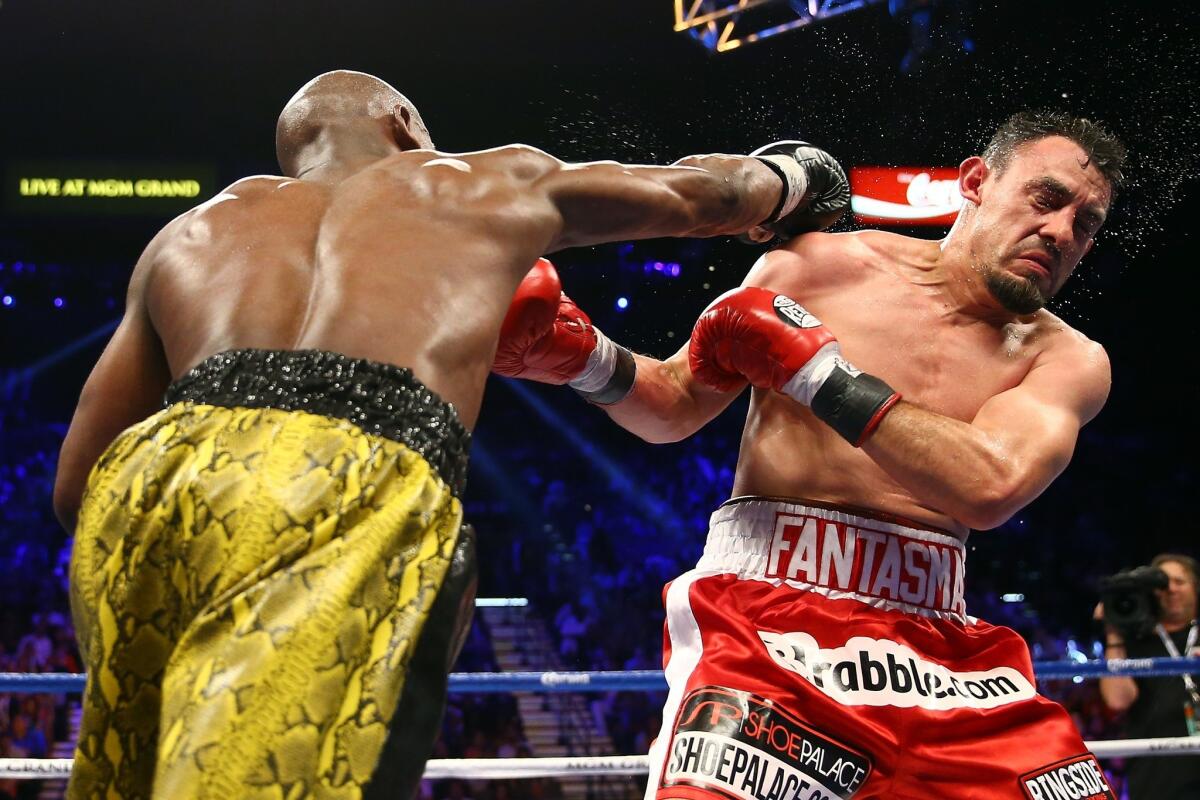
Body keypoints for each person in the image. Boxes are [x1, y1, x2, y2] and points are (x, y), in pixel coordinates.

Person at [51, 69, 850, 799]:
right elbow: (702, 196)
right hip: (347, 469)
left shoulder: (188, 233)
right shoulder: (475, 180)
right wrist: (793, 175)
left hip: (152, 482)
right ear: (402, 121)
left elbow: (75, 486)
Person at [495, 111, 1126, 798]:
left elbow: (990, 483)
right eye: (1046, 199)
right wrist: (579, 359)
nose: (1062, 232)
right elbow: (675, 403)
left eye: (1086, 224)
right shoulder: (823, 266)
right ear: (976, 181)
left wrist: (820, 376)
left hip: (946, 654)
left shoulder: (1068, 358)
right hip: (768, 618)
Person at [1098, 554, 1200, 798]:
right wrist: (1114, 633)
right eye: (1163, 584)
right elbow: (1117, 700)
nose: (1171, 589)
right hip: (1155, 776)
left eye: (1179, 581)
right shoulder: (1132, 644)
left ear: (1195, 588)